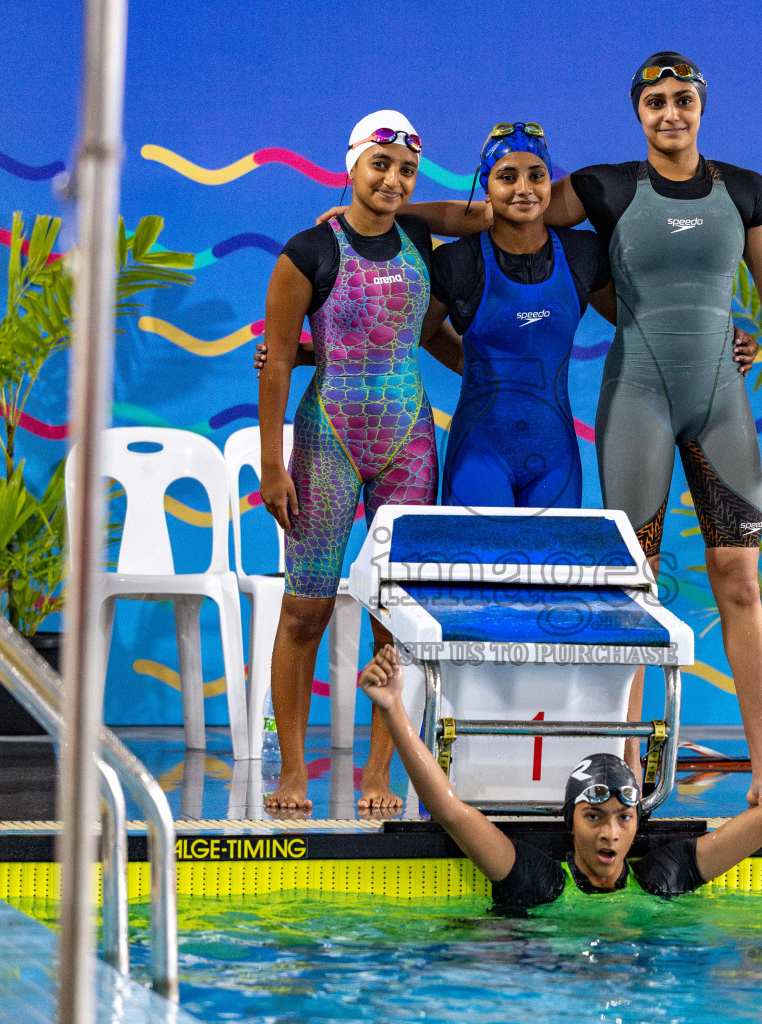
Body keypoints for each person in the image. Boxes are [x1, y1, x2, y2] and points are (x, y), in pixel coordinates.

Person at [541, 53, 762, 804]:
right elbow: (516, 211)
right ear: (638, 111)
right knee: (637, 586)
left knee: (740, 580)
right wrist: (391, 217)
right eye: (656, 101)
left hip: (722, 400)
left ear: (702, 105)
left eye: (684, 99)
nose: (671, 113)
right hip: (638, 396)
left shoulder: (746, 192)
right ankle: (620, 769)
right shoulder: (608, 187)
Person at [256, 111, 481, 813]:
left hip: (407, 441)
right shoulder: (307, 251)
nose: (392, 179)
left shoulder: (419, 235)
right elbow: (278, 364)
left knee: (397, 614)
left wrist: (406, 203)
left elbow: (479, 214)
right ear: (350, 164)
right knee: (305, 609)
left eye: (406, 169)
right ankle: (294, 770)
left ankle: (382, 772)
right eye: (379, 164)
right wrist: (272, 463)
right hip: (328, 437)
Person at [358, 642, 762, 906]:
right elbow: (450, 809)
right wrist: (393, 709)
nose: (610, 833)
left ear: (637, 823)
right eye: (594, 817)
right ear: (572, 821)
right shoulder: (541, 883)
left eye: (621, 818)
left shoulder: (665, 875)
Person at [427, 121, 756, 509]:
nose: (524, 188)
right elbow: (422, 332)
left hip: (556, 460)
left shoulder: (582, 254)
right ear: (487, 186)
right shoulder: (456, 262)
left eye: (537, 175)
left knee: (550, 569)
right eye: (507, 176)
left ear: (550, 180)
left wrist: (722, 332)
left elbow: (636, 315)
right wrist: (472, 364)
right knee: (479, 568)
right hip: (479, 454)